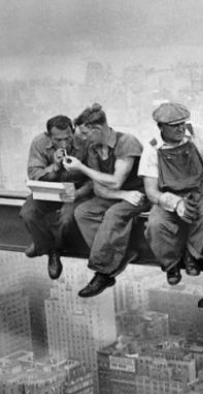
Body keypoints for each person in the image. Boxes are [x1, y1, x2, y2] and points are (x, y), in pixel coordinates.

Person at [139, 102, 203, 308]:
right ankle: (172, 264)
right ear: (161, 127)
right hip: (169, 197)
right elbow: (151, 191)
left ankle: (192, 256)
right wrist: (175, 204)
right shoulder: (152, 149)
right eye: (174, 125)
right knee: (155, 224)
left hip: (201, 191)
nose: (180, 128)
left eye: (182, 123)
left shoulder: (197, 134)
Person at [63, 104, 150, 297]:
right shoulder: (94, 148)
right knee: (83, 212)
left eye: (85, 134)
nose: (84, 139)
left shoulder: (127, 142)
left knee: (113, 214)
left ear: (97, 129)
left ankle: (103, 272)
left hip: (140, 194)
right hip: (120, 195)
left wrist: (82, 168)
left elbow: (115, 181)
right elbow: (98, 186)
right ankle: (122, 254)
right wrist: (121, 195)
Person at [21, 115, 92, 279]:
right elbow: (34, 175)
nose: (64, 144)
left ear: (72, 132)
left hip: (75, 190)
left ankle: (48, 247)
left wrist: (78, 192)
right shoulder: (39, 143)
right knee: (28, 213)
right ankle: (47, 248)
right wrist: (54, 167)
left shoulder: (85, 142)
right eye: (58, 140)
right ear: (48, 136)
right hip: (48, 190)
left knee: (67, 219)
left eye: (68, 138)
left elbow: (93, 177)